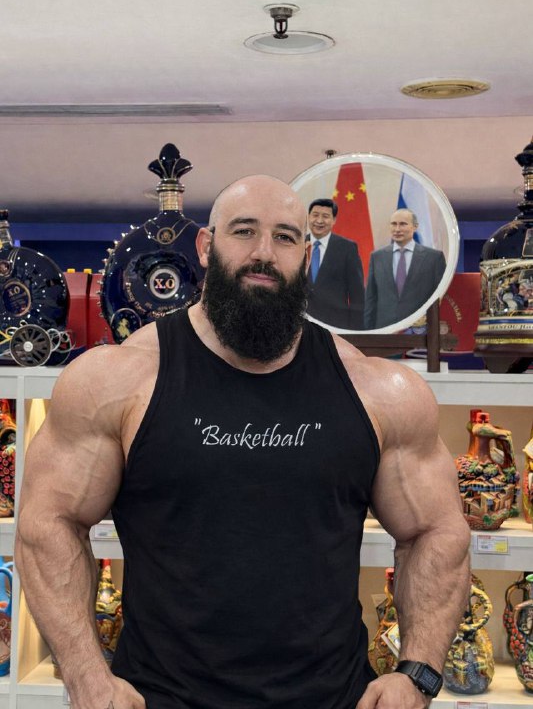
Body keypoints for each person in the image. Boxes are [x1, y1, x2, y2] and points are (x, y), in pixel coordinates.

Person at [15, 175, 470, 709]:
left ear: (306, 255)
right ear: (206, 247)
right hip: (160, 698)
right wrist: (86, 677)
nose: (263, 253)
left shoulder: (379, 390)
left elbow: (436, 531)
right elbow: (48, 524)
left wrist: (417, 673)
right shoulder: (118, 380)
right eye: (244, 231)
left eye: (285, 237)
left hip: (333, 698)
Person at [364, 208, 447, 330]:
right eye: (394, 224)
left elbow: (441, 297)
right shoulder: (377, 257)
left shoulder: (434, 258)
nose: (397, 229)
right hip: (384, 330)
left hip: (421, 330)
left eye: (403, 224)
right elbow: (371, 299)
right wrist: (368, 333)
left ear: (415, 227)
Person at [306, 198, 365, 329]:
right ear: (308, 217)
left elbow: (357, 294)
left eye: (325, 216)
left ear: (334, 220)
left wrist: (356, 331)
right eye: (315, 215)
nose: (319, 221)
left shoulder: (347, 248)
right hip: (301, 323)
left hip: (336, 325)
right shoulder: (297, 245)